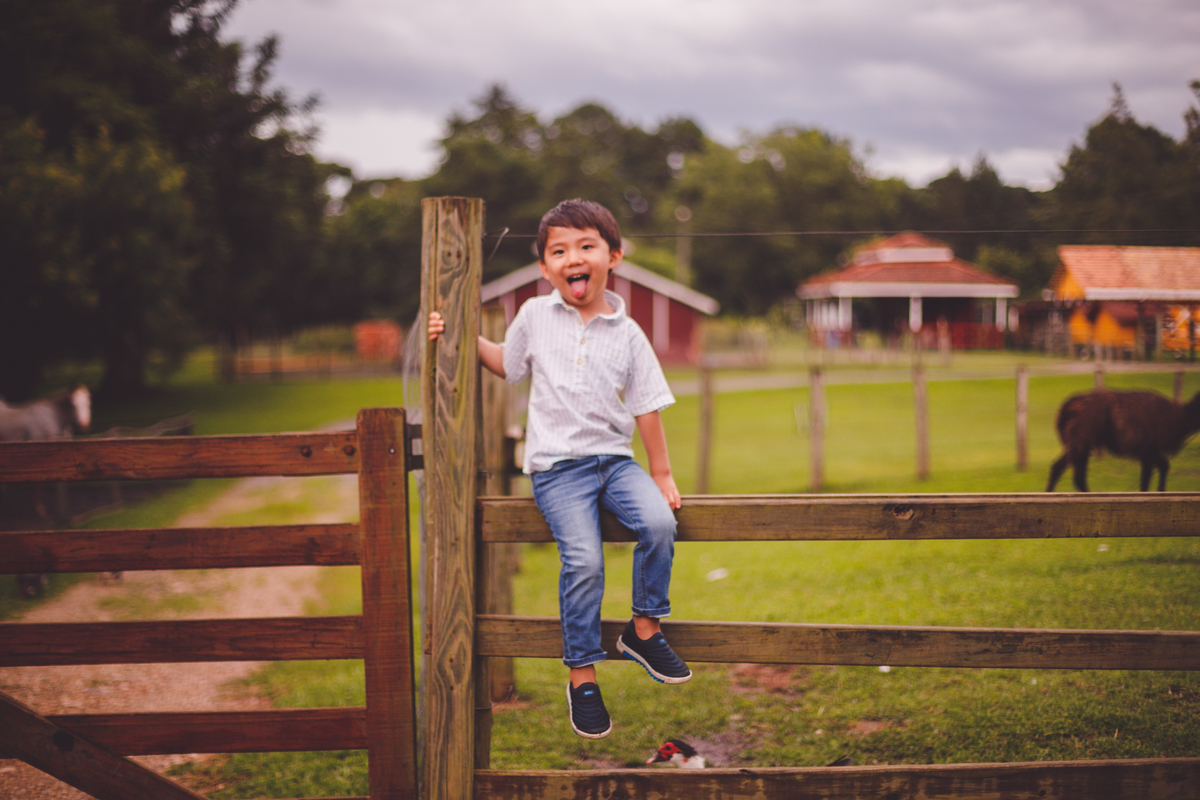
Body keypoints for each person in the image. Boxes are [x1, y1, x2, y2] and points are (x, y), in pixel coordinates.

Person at [428, 198, 689, 739]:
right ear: (546, 267)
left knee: (661, 524)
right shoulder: (534, 317)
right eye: (560, 250)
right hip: (557, 469)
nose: (574, 257)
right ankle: (582, 677)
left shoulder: (629, 332)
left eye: (587, 246)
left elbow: (646, 404)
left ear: (612, 256)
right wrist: (456, 332)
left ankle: (643, 629)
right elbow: (507, 364)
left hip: (616, 462)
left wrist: (661, 474)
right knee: (584, 561)